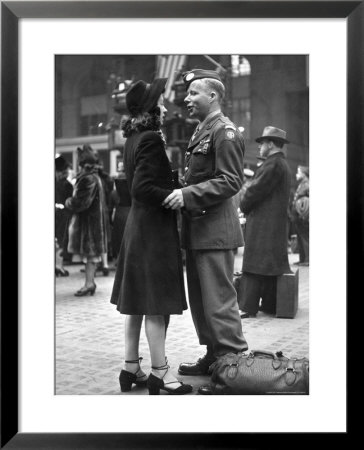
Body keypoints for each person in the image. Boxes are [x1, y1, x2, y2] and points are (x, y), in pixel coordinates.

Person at [162, 69, 248, 395]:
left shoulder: (224, 132)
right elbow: (199, 177)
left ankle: (234, 369)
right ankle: (215, 358)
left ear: (212, 96)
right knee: (202, 303)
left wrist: (186, 195)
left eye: (193, 93)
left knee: (220, 303)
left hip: (215, 232)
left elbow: (230, 181)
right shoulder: (201, 130)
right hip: (200, 231)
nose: (186, 99)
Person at [110, 78, 192, 395]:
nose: (163, 105)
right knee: (156, 306)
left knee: (135, 304)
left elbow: (138, 185)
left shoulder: (133, 139)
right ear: (152, 109)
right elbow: (142, 188)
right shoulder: (151, 139)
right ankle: (161, 373)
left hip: (137, 227)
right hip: (153, 231)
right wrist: (174, 193)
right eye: (159, 101)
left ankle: (131, 367)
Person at [238, 126, 291, 318]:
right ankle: (269, 304)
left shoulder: (272, 164)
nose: (260, 147)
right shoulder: (281, 164)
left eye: (262, 144)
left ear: (270, 144)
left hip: (263, 224)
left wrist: (243, 205)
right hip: (273, 225)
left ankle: (247, 306)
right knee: (269, 266)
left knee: (253, 264)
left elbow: (254, 191)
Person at [65, 145, 108, 296]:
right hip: (93, 223)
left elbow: (81, 202)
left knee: (90, 254)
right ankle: (89, 283)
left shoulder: (87, 179)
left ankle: (89, 283)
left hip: (88, 224)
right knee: (91, 255)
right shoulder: (95, 177)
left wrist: (68, 202)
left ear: (82, 164)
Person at [55, 154, 73, 276]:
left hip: (55, 213)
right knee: (61, 240)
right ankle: (58, 266)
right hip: (64, 214)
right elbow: (71, 201)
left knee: (55, 240)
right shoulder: (67, 185)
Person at [291, 165, 309, 266]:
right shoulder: (302, 184)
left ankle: (308, 259)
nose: (296, 174)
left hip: (303, 217)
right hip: (298, 217)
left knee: (305, 238)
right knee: (300, 238)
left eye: (298, 172)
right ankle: (302, 259)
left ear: (304, 174)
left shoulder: (307, 185)